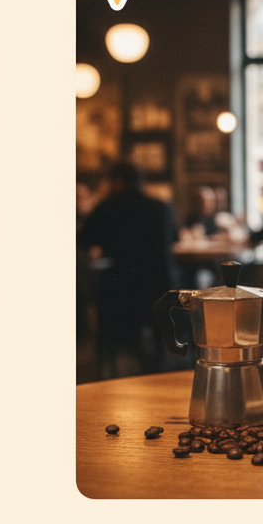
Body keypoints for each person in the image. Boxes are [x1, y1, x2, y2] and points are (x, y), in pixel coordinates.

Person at [78, 162, 179, 377]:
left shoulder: (106, 207)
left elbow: (84, 240)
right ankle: (157, 361)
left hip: (121, 293)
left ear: (116, 182)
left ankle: (117, 363)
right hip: (160, 290)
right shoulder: (160, 207)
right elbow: (175, 238)